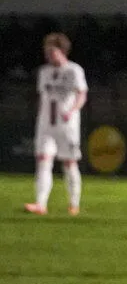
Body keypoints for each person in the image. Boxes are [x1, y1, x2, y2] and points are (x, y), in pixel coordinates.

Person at [25, 33, 88, 216]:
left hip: (67, 126)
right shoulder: (44, 72)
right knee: (43, 161)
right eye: (47, 51)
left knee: (69, 163)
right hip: (46, 125)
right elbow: (43, 96)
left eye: (52, 51)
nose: (49, 55)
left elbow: (81, 94)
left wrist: (72, 110)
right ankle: (40, 204)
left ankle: (74, 204)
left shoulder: (74, 70)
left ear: (62, 51)